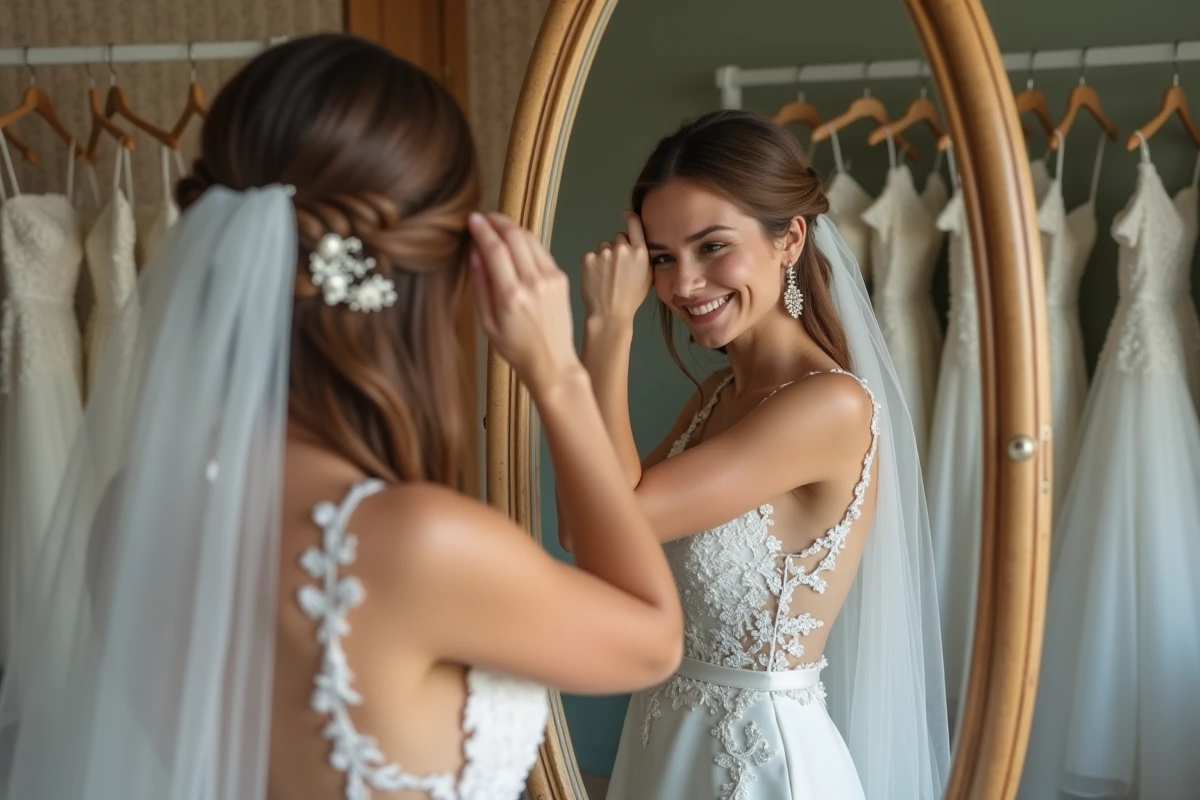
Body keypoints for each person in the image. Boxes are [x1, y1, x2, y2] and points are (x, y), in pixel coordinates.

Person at [0, 34, 682, 800]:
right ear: (445, 266)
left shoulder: (129, 510)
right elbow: (653, 639)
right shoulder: (416, 541)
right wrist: (556, 373)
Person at [580, 110, 950, 800]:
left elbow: (607, 521)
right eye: (661, 257)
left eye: (712, 246)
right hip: (664, 735)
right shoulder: (720, 394)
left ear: (790, 238)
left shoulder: (829, 406)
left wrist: (606, 330)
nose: (684, 283)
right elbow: (592, 528)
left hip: (752, 760)